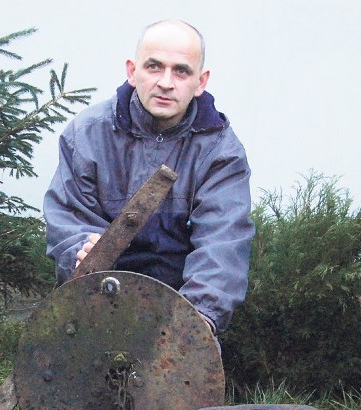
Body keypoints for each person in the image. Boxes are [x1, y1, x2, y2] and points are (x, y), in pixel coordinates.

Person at [43, 19, 254, 335]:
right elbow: (68, 219)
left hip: (178, 307)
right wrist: (80, 249)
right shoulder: (86, 134)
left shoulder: (222, 153)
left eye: (181, 71)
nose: (166, 82)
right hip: (96, 300)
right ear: (132, 70)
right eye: (154, 67)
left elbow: (222, 247)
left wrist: (195, 327)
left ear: (201, 81)